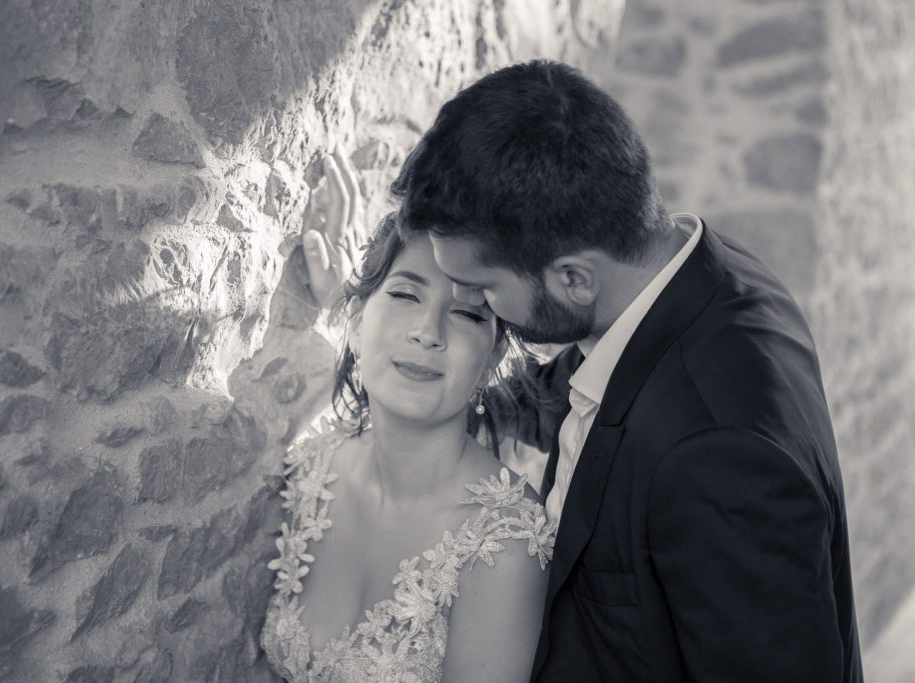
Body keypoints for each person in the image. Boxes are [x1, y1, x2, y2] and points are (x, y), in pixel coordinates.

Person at [385, 60, 864, 681]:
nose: (471, 305)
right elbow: (588, 391)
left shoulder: (719, 458)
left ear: (574, 279)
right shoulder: (687, 275)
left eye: (481, 287)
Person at [260, 201, 557, 682]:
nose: (427, 333)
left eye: (464, 313)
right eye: (404, 295)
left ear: (492, 357)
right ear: (355, 321)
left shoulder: (503, 542)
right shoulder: (314, 468)